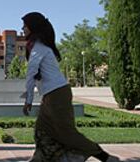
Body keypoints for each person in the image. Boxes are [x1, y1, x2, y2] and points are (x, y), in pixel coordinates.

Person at [22, 12, 120, 162]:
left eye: (25, 25)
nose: (22, 28)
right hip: (51, 95)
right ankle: (40, 158)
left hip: (57, 95)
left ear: (33, 27)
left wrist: (28, 99)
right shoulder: (37, 46)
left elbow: (31, 73)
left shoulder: (39, 48)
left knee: (67, 133)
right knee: (42, 130)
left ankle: (105, 157)